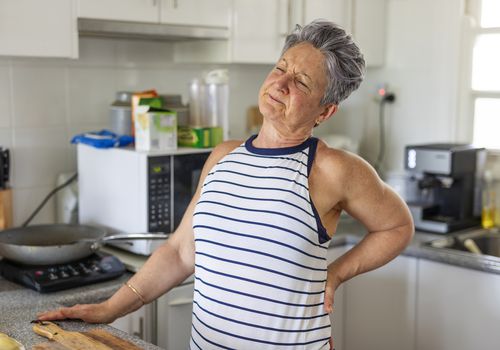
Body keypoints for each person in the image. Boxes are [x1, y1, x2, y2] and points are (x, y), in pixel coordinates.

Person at [38, 19, 414, 349]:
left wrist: (337, 272)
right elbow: (181, 252)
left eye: (301, 81)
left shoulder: (332, 168)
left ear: (325, 111)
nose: (280, 83)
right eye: (281, 67)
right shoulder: (222, 156)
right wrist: (108, 310)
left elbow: (397, 226)